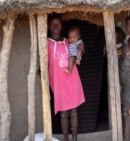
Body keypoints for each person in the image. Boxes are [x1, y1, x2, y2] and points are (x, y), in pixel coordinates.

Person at [47, 13, 85, 141]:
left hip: (72, 79)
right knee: (64, 113)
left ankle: (74, 138)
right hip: (59, 83)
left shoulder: (68, 40)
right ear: (48, 26)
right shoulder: (46, 43)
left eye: (58, 24)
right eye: (53, 24)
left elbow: (79, 47)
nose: (56, 26)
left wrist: (81, 51)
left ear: (62, 25)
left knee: (74, 111)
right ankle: (65, 139)